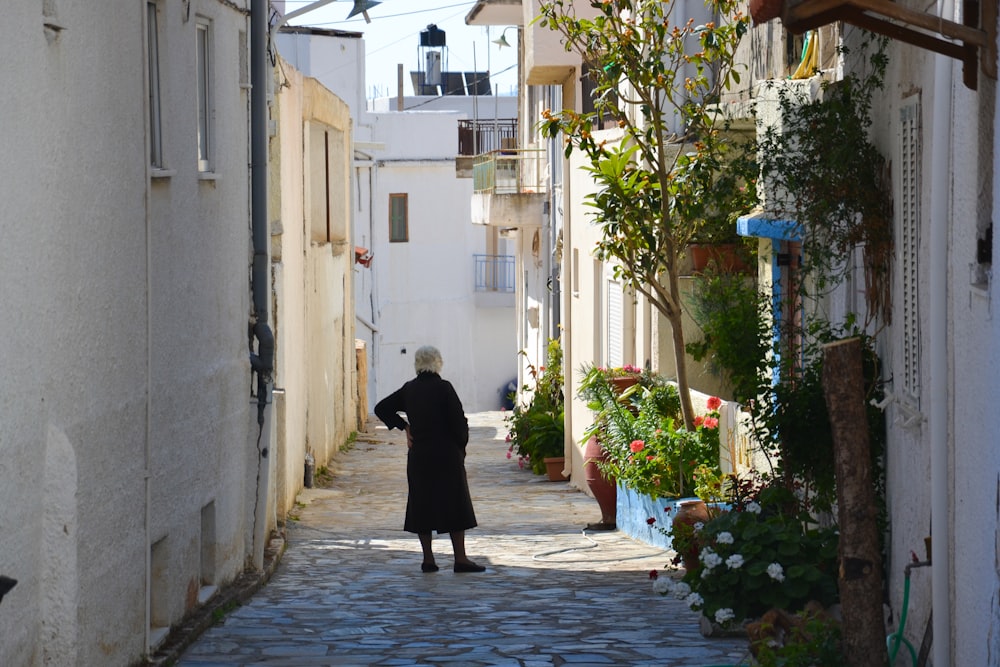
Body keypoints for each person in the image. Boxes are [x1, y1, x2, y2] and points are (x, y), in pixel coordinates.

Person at [374, 346, 486, 573]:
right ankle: (460, 559)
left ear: (417, 364)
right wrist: (461, 447)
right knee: (455, 504)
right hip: (447, 456)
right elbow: (458, 422)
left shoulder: (409, 389)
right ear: (438, 363)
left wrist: (405, 427)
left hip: (420, 455)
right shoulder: (444, 388)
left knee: (421, 504)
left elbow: (381, 408)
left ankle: (428, 559)